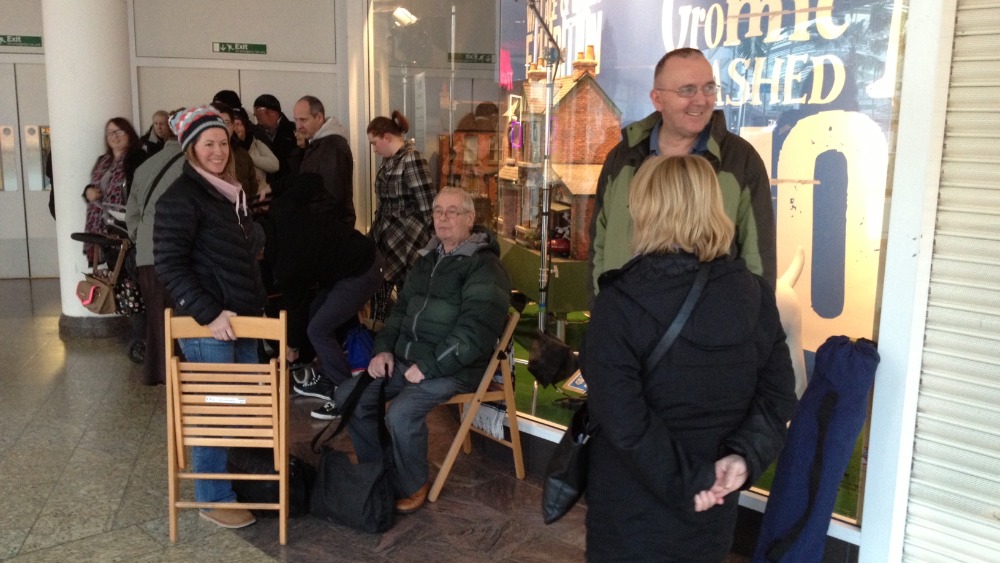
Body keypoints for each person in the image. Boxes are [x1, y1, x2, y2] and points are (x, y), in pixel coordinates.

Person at [582, 155, 797, 562]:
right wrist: (743, 457)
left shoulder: (619, 302)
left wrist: (693, 481)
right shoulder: (754, 294)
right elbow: (779, 396)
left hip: (633, 509)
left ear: (646, 210)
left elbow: (623, 419)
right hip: (714, 505)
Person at [333, 187, 511, 515]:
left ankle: (413, 482)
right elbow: (399, 312)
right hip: (409, 359)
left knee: (401, 413)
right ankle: (377, 467)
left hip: (456, 368)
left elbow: (474, 335)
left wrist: (429, 365)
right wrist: (383, 350)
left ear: (470, 218)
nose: (443, 218)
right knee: (349, 395)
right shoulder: (428, 259)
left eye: (452, 211)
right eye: (437, 211)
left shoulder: (484, 268)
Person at [153, 105, 266, 530]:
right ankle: (212, 497)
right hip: (209, 327)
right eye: (208, 144)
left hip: (242, 321)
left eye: (222, 143)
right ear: (190, 149)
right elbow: (169, 264)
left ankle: (230, 482)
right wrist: (210, 312)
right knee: (215, 412)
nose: (218, 151)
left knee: (238, 410)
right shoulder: (181, 198)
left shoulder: (229, 191)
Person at [589, 48, 776, 298]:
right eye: (687, 90)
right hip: (627, 314)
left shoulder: (740, 160)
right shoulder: (621, 158)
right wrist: (602, 306)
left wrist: (754, 316)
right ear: (657, 99)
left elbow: (759, 257)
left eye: (708, 88)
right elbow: (599, 245)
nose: (701, 100)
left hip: (710, 319)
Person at [260, 173, 383, 420]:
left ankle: (345, 395)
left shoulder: (286, 265)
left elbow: (296, 307)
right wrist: (272, 187)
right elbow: (314, 179)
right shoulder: (280, 208)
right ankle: (328, 379)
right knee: (317, 312)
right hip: (348, 264)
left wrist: (291, 346)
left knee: (318, 329)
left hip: (363, 268)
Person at [125, 107, 185, 386]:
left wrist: (142, 237)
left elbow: (132, 212)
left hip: (148, 253)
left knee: (157, 317)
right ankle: (181, 372)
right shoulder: (193, 164)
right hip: (180, 252)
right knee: (183, 315)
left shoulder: (146, 165)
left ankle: (157, 372)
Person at [366, 111, 436, 323]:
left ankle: (402, 334)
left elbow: (427, 202)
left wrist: (434, 241)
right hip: (387, 234)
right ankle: (377, 332)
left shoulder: (412, 158)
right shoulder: (389, 161)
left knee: (407, 293)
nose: (374, 149)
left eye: (374, 143)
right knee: (378, 289)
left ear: (387, 137)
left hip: (407, 237)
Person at [82, 117, 146, 263]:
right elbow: (95, 187)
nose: (114, 136)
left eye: (119, 131)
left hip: (126, 224)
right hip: (102, 224)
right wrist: (88, 191)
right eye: (110, 132)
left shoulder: (139, 158)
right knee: (111, 267)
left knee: (127, 265)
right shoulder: (102, 160)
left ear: (129, 134)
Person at [293, 95, 355, 227]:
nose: (298, 126)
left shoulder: (333, 147)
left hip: (329, 227)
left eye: (303, 120)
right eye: (296, 120)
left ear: (319, 117)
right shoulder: (317, 144)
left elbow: (331, 196)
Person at [211, 102, 260, 200]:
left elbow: (252, 188)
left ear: (233, 126)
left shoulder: (243, 154)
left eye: (226, 122)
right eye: (217, 122)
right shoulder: (202, 156)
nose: (222, 127)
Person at [232, 106, 278, 200]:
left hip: (263, 196)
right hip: (242, 198)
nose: (235, 128)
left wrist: (248, 157)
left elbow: (274, 165)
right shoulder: (229, 149)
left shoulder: (256, 143)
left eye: (238, 124)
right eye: (232, 125)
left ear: (245, 126)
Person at [252, 93, 297, 181]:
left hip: (290, 182)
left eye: (258, 109)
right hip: (265, 184)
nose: (254, 114)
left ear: (272, 112)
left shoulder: (295, 131)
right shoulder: (255, 133)